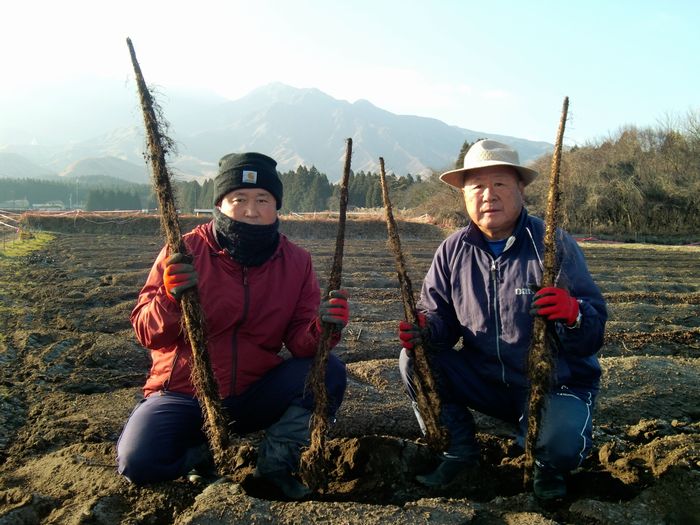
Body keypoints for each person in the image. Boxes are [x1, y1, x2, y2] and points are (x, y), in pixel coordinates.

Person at [117, 152, 349, 500]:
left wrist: (323, 329)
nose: (251, 210)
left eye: (263, 200)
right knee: (139, 461)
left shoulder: (296, 261)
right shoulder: (184, 251)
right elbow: (145, 331)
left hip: (254, 392)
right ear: (220, 204)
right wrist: (170, 298)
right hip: (184, 395)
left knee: (328, 371)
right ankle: (202, 453)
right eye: (238, 199)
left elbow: (301, 344)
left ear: (277, 207)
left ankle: (275, 467)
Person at [398, 139, 606, 500]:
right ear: (463, 195)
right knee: (414, 359)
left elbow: (592, 334)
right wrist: (425, 329)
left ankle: (546, 463)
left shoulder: (551, 245)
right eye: (476, 186)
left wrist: (574, 314)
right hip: (487, 380)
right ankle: (457, 450)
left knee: (560, 445)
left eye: (499, 184)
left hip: (553, 382)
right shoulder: (453, 250)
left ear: (520, 189)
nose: (487, 195)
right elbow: (440, 323)